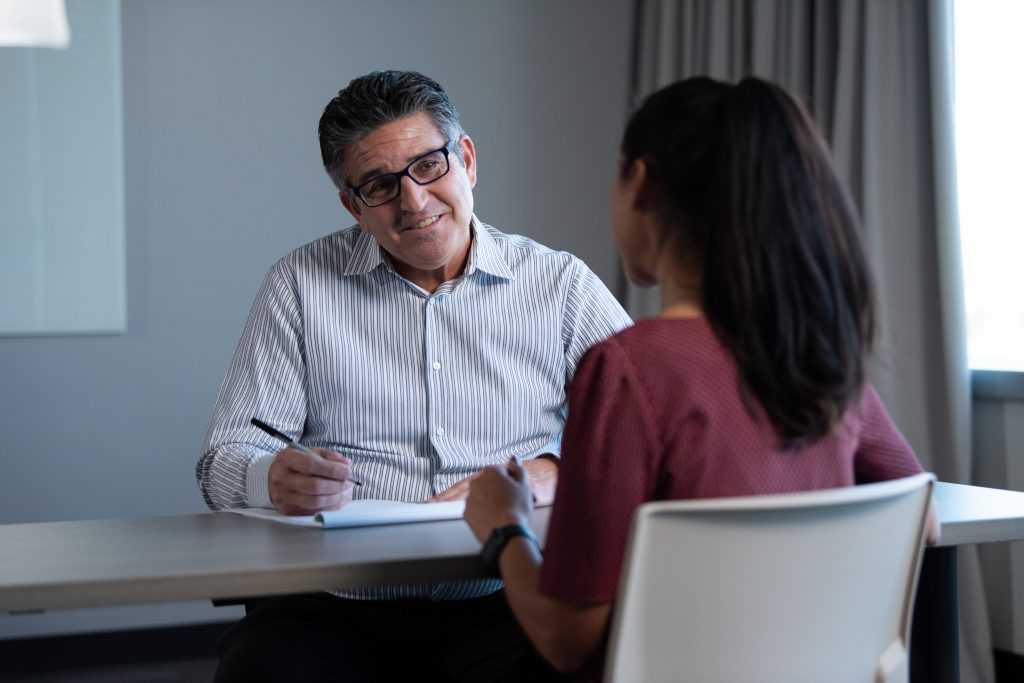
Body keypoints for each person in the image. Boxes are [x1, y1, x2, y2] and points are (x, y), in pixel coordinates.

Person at [463, 75, 939, 681]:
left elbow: (567, 639)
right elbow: (923, 519)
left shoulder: (629, 368)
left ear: (640, 182)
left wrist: (504, 528)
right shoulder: (819, 356)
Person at [197, 70, 631, 682]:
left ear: (467, 160)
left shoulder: (560, 285)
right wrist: (270, 476)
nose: (415, 202)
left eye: (429, 166)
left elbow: (643, 433)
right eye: (380, 185)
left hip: (505, 595)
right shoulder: (297, 285)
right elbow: (220, 461)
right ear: (353, 206)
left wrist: (556, 467)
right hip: (333, 602)